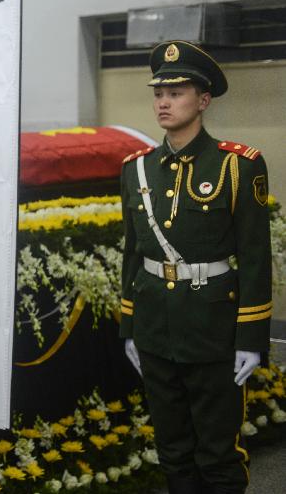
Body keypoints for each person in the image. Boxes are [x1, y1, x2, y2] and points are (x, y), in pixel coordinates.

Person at [119, 41, 271, 494]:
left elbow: (255, 256)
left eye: (178, 92)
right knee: (173, 450)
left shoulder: (237, 165)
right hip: (156, 330)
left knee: (218, 455)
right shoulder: (137, 169)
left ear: (203, 100)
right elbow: (133, 254)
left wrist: (251, 336)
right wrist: (129, 325)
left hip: (213, 330)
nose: (163, 102)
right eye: (159, 93)